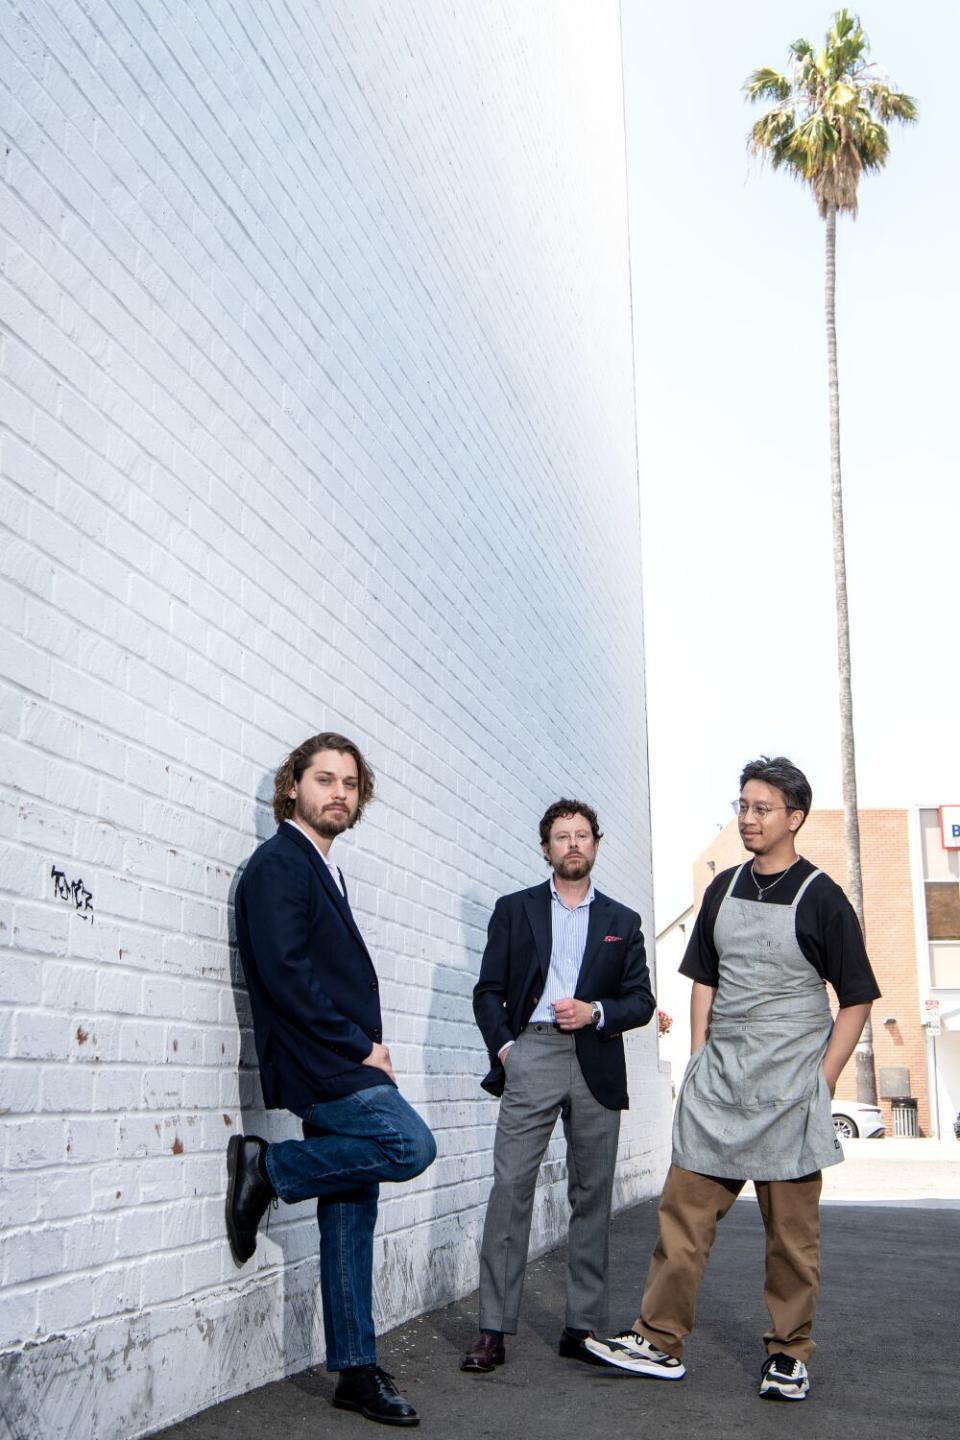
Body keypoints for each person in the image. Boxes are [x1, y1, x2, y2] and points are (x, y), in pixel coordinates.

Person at [586, 756, 880, 1402]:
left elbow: (856, 998)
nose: (747, 819)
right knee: (682, 1223)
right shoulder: (720, 890)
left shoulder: (823, 899)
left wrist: (823, 1081)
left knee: (792, 1241)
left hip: (790, 1094)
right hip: (720, 1088)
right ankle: (659, 1339)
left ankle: (788, 1354)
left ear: (794, 819)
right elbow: (705, 981)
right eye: (742, 806)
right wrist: (698, 1060)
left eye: (762, 808)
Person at [226, 733, 436, 1428]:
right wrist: (360, 1045)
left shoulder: (320, 867)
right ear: (293, 787)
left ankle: (353, 1368)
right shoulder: (279, 864)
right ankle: (271, 1166)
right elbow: (285, 973)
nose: (339, 792)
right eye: (324, 779)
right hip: (325, 1062)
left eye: (350, 782)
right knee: (410, 1146)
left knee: (350, 1211)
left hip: (338, 1056)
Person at [460, 799, 656, 1373]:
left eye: (582, 836)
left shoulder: (623, 922)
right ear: (544, 847)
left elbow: (641, 1000)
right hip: (534, 1052)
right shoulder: (514, 910)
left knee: (591, 1196)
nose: (572, 844)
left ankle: (582, 1327)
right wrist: (507, 1050)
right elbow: (486, 991)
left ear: (596, 844)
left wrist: (596, 1010)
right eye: (561, 837)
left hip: (596, 1056)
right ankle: (493, 1328)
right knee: (511, 1188)